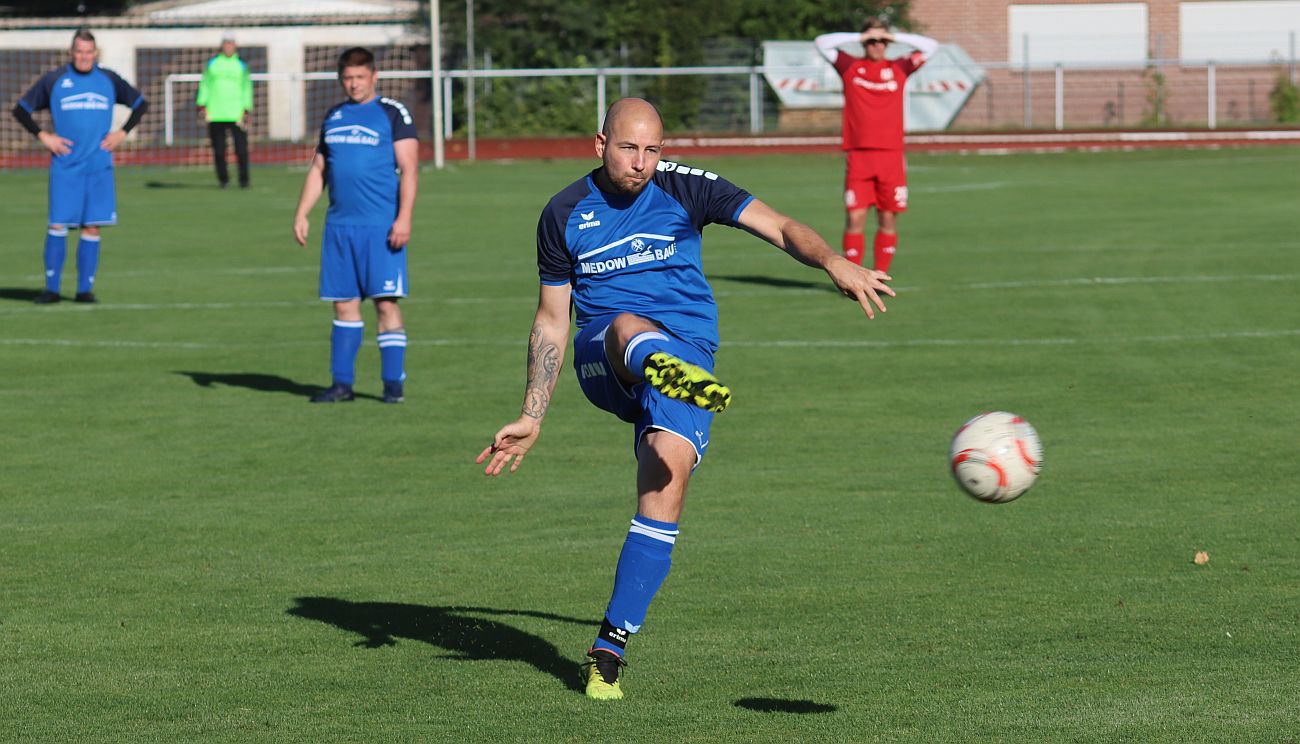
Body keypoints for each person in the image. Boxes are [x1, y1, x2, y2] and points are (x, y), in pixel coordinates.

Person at [476, 98, 895, 701]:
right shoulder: (563, 212)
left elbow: (778, 225)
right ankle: (657, 365)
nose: (642, 163)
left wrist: (831, 260)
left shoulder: (688, 187)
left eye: (652, 150)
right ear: (600, 144)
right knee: (625, 324)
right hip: (606, 356)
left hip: (689, 356)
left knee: (662, 485)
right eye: (628, 148)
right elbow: (551, 319)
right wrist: (532, 412)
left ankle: (609, 648)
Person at [292, 47, 418, 404]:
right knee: (343, 304)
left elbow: (409, 168)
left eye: (360, 77)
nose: (354, 84)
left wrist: (404, 217)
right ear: (340, 79)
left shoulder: (393, 113)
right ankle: (341, 384)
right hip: (338, 228)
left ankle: (393, 385)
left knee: (385, 304)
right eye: (347, 78)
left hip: (381, 227)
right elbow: (319, 169)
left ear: (374, 76)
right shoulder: (334, 116)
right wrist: (302, 213)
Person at [11, 27, 147, 305]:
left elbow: (141, 105)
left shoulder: (108, 79)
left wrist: (121, 133)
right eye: (79, 52)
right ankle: (51, 289)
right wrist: (44, 136)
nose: (84, 57)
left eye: (88, 52)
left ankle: (85, 291)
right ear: (71, 53)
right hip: (66, 166)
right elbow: (20, 110)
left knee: (92, 227)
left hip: (99, 166)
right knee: (58, 225)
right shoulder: (55, 80)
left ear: (95, 53)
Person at [814, 20, 939, 272]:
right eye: (872, 41)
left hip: (891, 156)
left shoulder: (899, 67)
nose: (877, 45)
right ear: (864, 43)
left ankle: (881, 275)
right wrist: (860, 35)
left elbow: (932, 46)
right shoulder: (851, 66)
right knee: (855, 217)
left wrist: (893, 36)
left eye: (882, 41)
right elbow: (821, 43)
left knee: (887, 217)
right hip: (859, 156)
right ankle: (853, 275)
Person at [197, 32, 253, 189]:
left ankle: (244, 180)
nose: (228, 46)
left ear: (235, 45)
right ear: (222, 45)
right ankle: (224, 180)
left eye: (231, 43)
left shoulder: (242, 65)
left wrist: (247, 109)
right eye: (226, 43)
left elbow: (246, 87)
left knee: (241, 150)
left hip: (237, 113)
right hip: (215, 113)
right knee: (219, 151)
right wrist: (202, 104)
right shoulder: (212, 63)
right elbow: (205, 84)